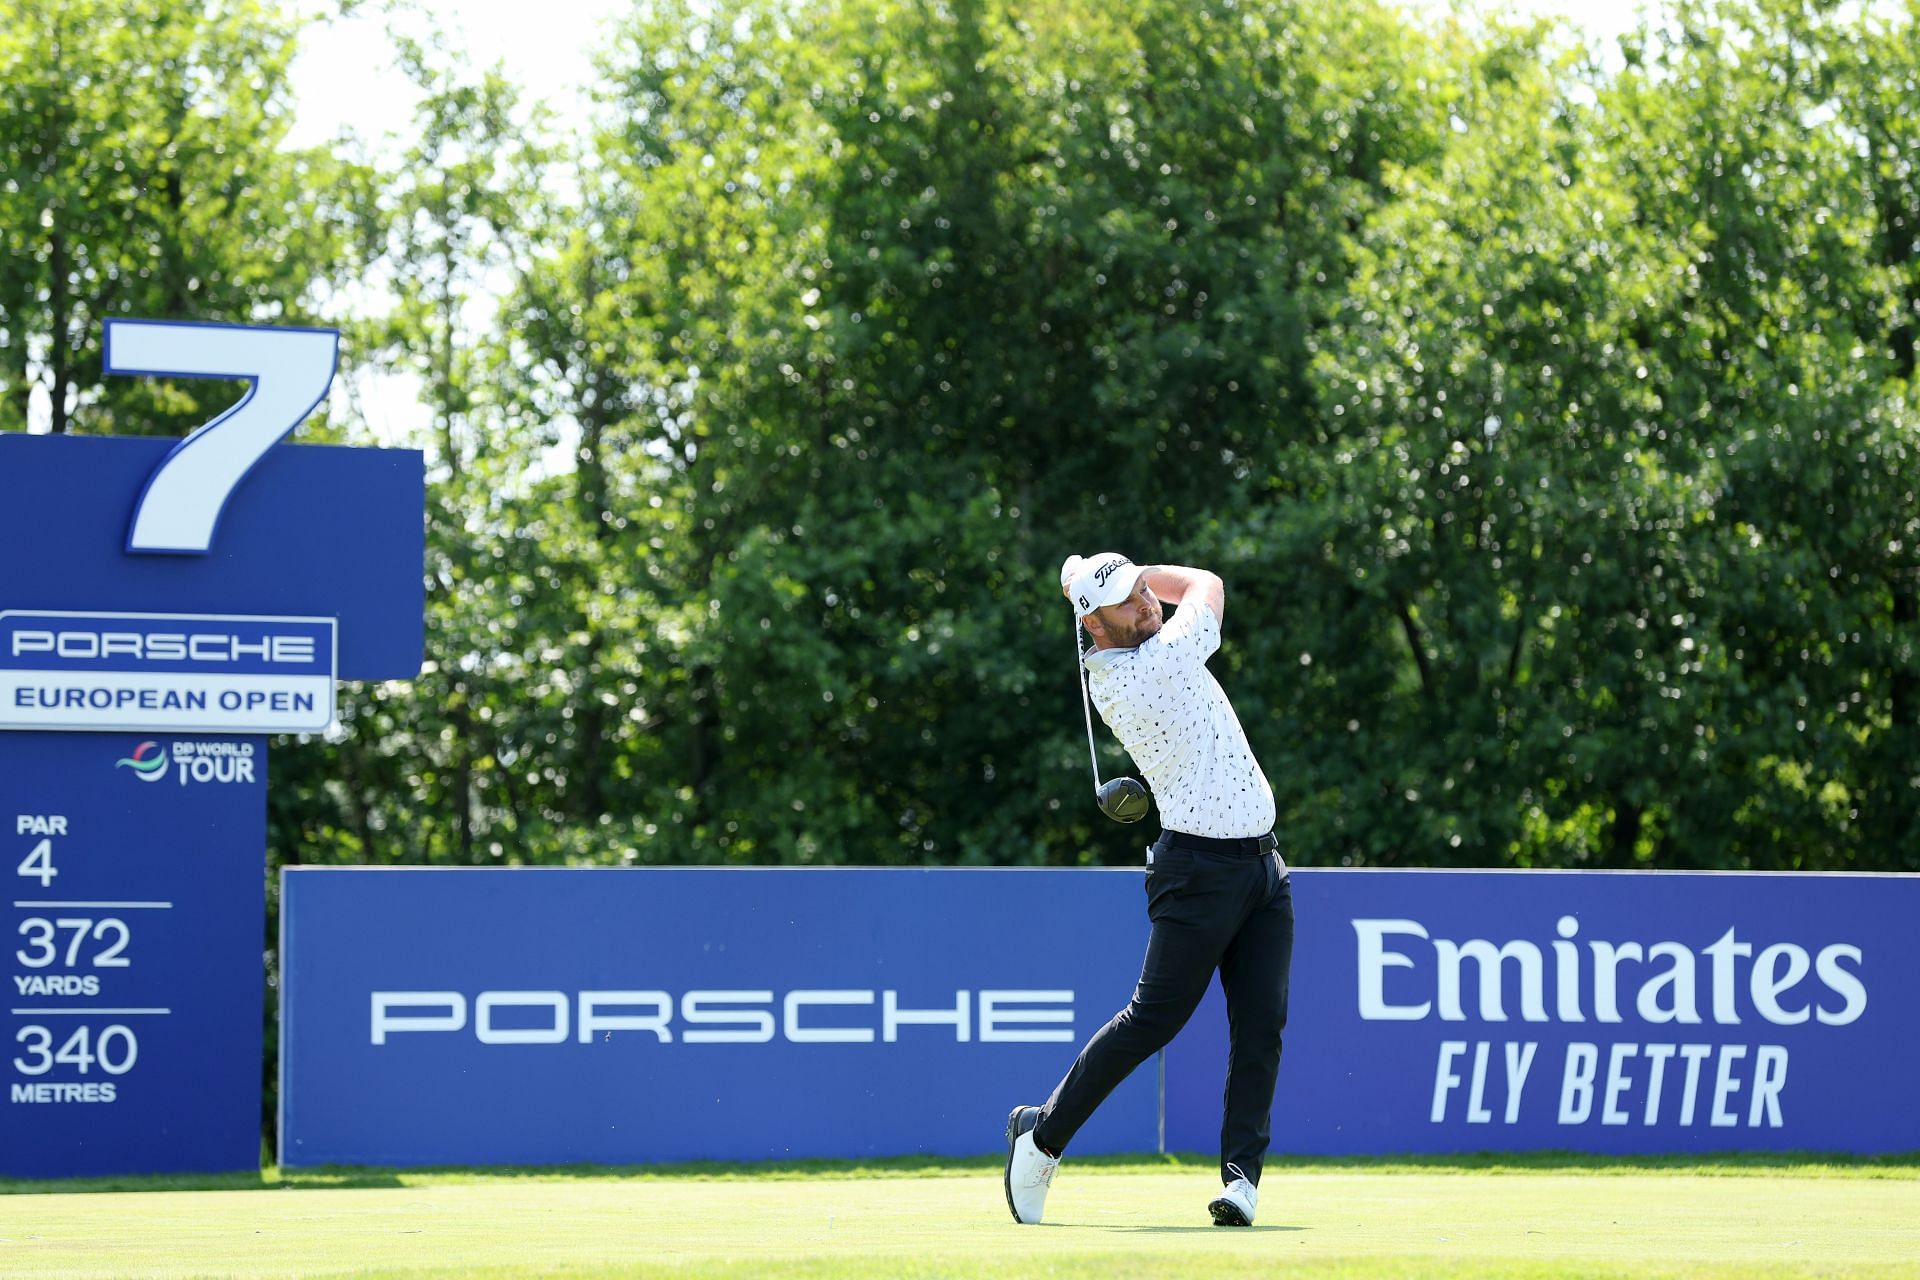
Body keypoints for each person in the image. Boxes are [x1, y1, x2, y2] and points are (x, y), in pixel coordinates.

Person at [1004, 551, 1294, 1227]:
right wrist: (1152, 570)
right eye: (1128, 602)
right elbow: (1207, 585)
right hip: (1199, 871)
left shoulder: (1141, 645)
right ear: (1095, 628)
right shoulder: (1152, 667)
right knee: (1153, 1020)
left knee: (1261, 1027)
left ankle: (1241, 1179)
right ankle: (1041, 1138)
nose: (1147, 605)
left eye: (1144, 592)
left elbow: (1144, 601)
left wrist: (1093, 576)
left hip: (1261, 866)